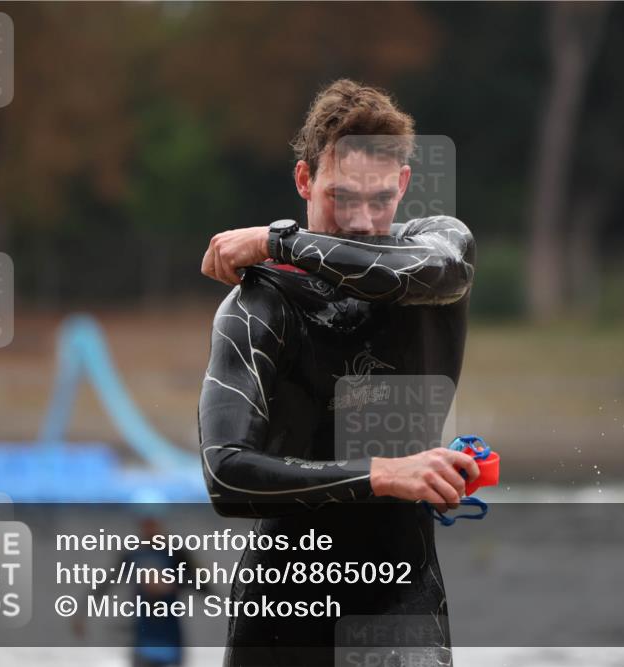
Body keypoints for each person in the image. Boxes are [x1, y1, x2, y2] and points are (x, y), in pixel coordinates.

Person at [197, 79, 477, 666]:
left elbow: (415, 274)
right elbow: (226, 475)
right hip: (282, 617)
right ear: (304, 180)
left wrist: (279, 241)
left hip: (401, 603)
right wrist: (383, 473)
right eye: (341, 197)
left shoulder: (437, 252)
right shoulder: (258, 309)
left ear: (403, 184)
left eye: (379, 199)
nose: (359, 220)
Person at [73, 516, 215, 667]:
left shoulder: (176, 553)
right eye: (146, 525)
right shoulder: (133, 554)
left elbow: (204, 587)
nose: (150, 530)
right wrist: (82, 612)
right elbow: (105, 584)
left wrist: (173, 583)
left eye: (153, 524)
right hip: (143, 635)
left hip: (171, 634)